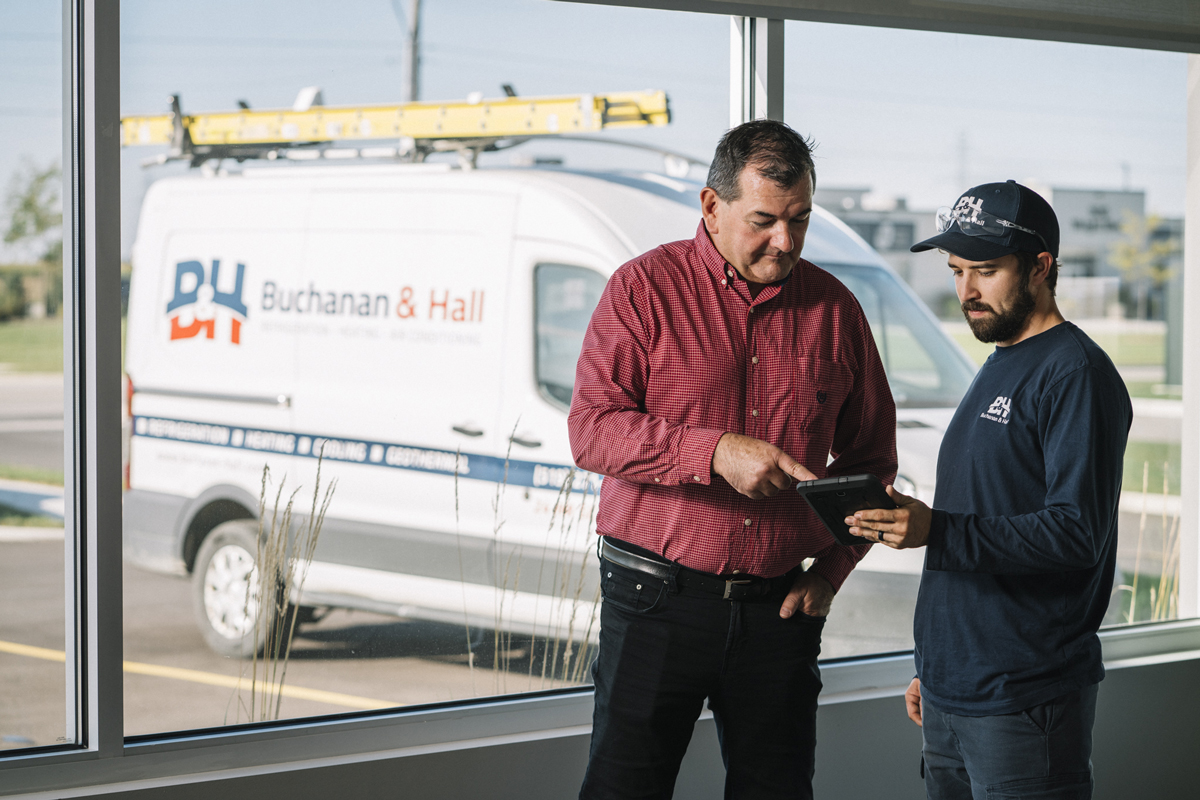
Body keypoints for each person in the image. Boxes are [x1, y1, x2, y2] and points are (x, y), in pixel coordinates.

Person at [567, 119, 897, 800]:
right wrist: (713, 451)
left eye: (800, 219)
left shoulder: (836, 310)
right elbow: (592, 432)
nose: (786, 241)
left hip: (780, 610)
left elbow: (872, 457)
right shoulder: (641, 290)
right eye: (765, 220)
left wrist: (833, 572)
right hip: (653, 601)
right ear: (712, 207)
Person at [846, 181, 1132, 799]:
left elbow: (1076, 534)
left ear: (1040, 267)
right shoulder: (1002, 359)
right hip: (955, 691)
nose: (966, 292)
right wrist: (936, 664)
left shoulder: (1076, 374)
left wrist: (935, 530)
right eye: (955, 271)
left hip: (1026, 698)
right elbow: (982, 513)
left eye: (986, 270)